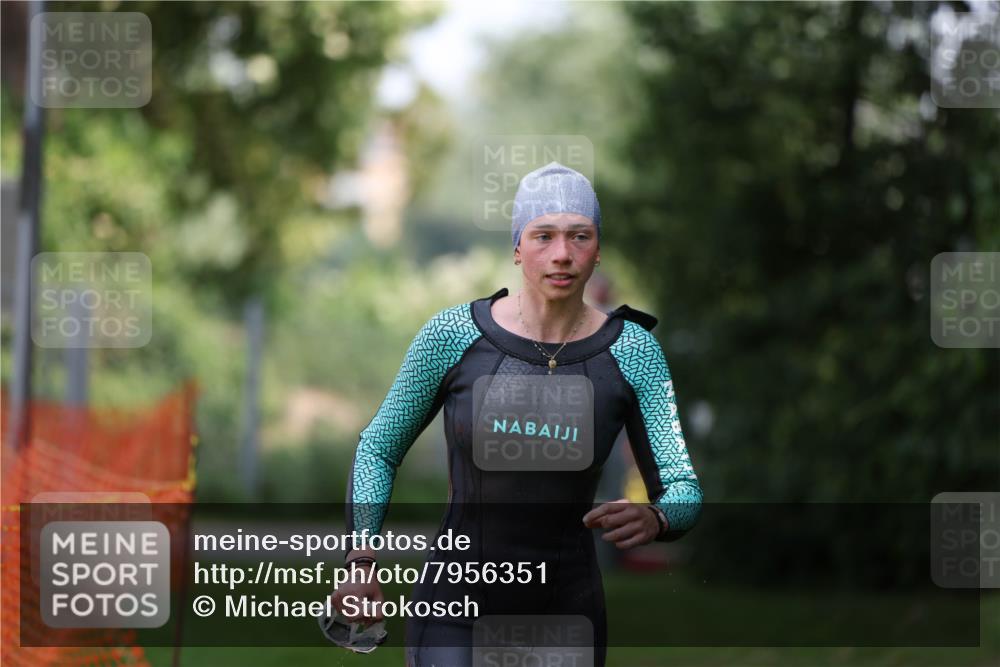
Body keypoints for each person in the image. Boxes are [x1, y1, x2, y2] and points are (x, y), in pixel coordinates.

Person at [331, 161, 703, 667]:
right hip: (454, 609)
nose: (562, 255)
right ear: (516, 247)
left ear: (598, 251)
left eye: (579, 237)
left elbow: (684, 488)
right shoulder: (454, 336)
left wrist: (657, 516)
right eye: (543, 235)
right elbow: (378, 446)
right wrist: (360, 558)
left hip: (567, 610)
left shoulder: (633, 351)